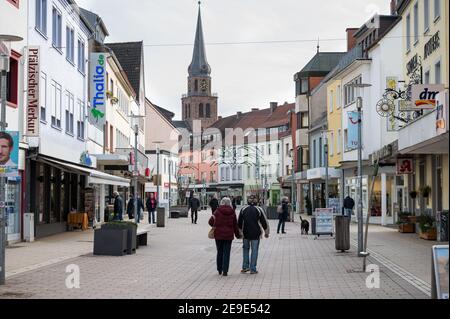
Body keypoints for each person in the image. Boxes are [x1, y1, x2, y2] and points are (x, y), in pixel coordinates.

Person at [208, 197, 241, 277]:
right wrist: (237, 235)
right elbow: (235, 225)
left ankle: (219, 269)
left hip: (218, 235)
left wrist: (216, 225)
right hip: (228, 236)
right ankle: (225, 271)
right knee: (227, 253)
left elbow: (210, 222)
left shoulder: (217, 211)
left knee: (220, 252)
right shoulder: (232, 212)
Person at [238, 195, 270, 275]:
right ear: (256, 202)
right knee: (254, 250)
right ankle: (253, 269)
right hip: (256, 233)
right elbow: (264, 222)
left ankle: (245, 267)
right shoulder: (259, 209)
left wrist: (240, 232)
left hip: (245, 233)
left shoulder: (243, 209)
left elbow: (239, 223)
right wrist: (266, 232)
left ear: (247, 201)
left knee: (245, 249)